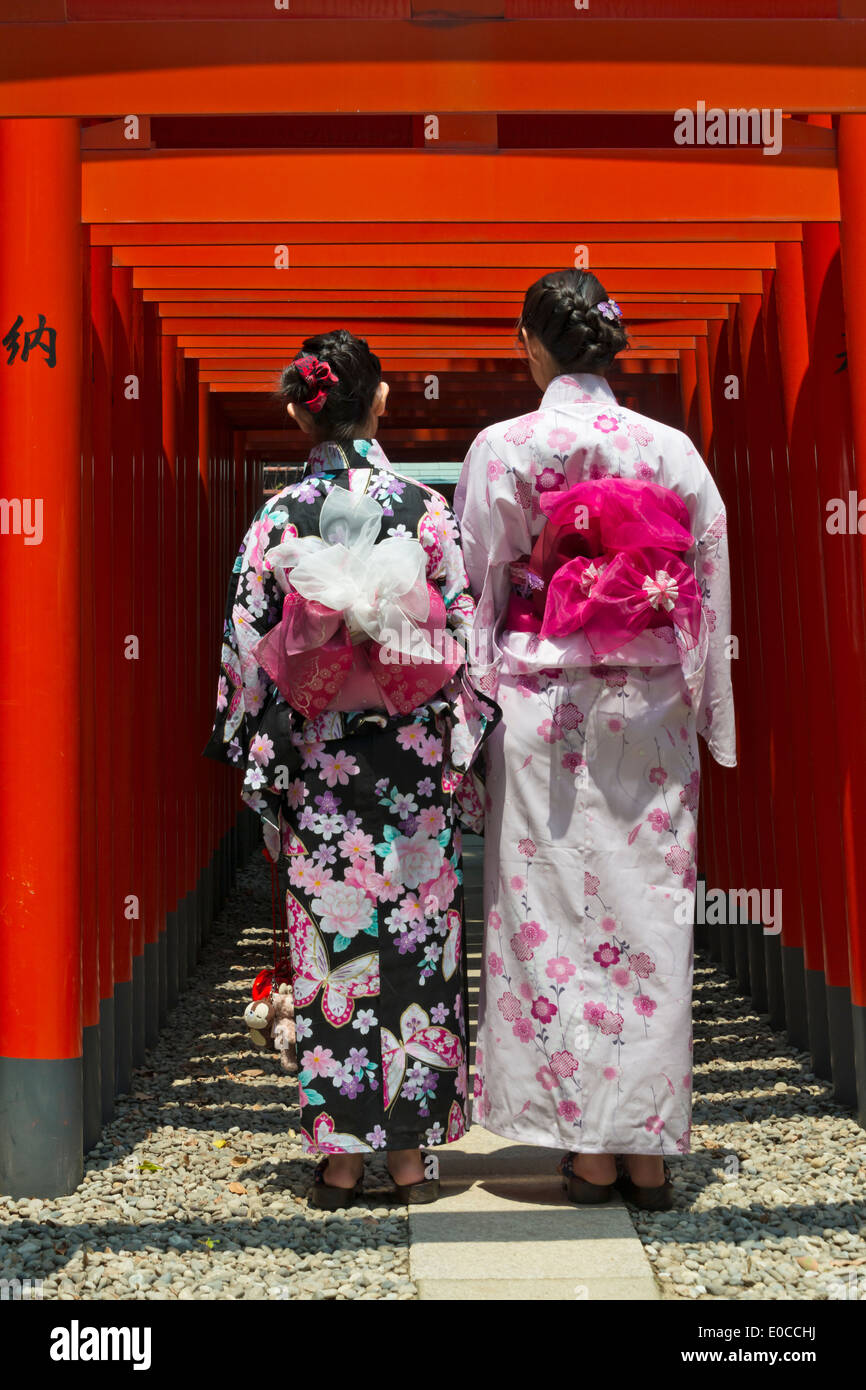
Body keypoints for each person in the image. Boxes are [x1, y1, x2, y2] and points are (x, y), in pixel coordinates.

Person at [455, 270, 736, 1209]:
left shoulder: (506, 446)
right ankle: (649, 1148)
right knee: (653, 915)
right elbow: (707, 568)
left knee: (555, 919)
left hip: (543, 699)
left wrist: (473, 709)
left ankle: (586, 1147)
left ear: (534, 346)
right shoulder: (671, 450)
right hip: (651, 701)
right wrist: (709, 706)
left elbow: (480, 587)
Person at [203, 330, 496, 1208]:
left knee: (331, 949)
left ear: (304, 408)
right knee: (416, 943)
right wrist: (458, 737)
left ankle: (337, 1157)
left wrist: (263, 759)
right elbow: (466, 638)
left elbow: (250, 650)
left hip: (322, 766)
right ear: (383, 401)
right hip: (408, 765)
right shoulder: (424, 509)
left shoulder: (277, 516)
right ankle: (410, 1160)